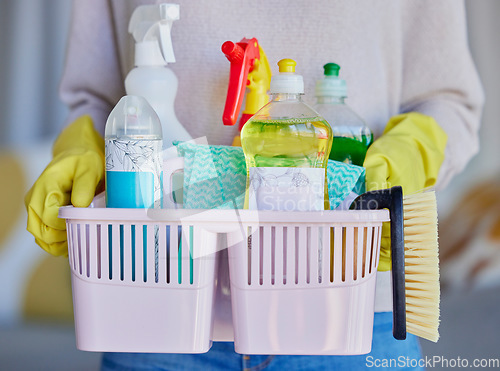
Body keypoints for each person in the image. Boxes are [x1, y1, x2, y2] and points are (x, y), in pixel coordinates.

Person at [25, 0, 483, 370]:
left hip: (350, 316)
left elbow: (448, 100)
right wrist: (80, 152)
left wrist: (413, 150)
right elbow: (96, 99)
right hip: (156, 308)